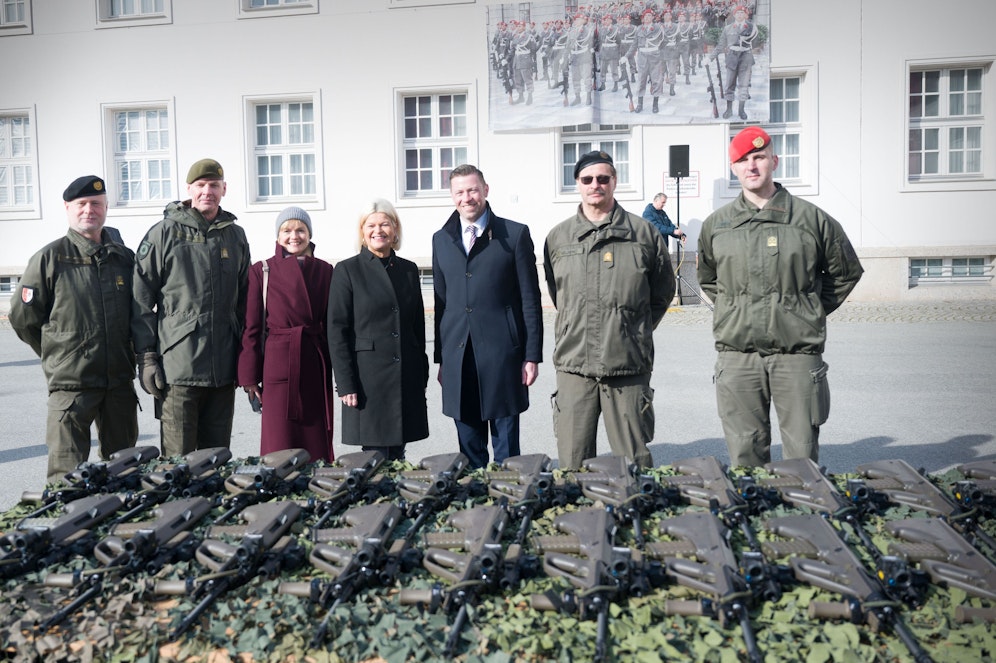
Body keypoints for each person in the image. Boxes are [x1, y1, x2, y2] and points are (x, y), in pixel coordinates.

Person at [697, 127, 864, 467]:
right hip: (738, 356)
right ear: (734, 168)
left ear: (774, 160)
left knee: (801, 458)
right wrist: (735, 312)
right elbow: (709, 280)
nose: (752, 166)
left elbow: (845, 273)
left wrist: (805, 309)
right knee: (745, 456)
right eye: (743, 161)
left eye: (759, 157)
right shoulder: (717, 225)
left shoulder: (811, 220)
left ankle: (802, 519)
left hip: (796, 355)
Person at [543, 151, 675, 470]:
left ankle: (634, 519)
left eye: (603, 178)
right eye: (587, 179)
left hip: (628, 365)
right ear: (577, 183)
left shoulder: (644, 235)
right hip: (575, 365)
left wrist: (631, 328)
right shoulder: (558, 238)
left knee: (634, 466)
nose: (595, 185)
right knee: (573, 464)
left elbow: (662, 293)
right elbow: (558, 293)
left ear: (614, 181)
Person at [10, 175, 138, 484]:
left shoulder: (123, 258)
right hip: (72, 386)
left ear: (106, 207)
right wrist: (57, 353)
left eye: (96, 204)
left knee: (124, 471)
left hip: (118, 383)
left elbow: (139, 315)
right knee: (66, 479)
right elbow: (22, 318)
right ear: (67, 208)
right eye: (81, 204)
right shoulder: (50, 258)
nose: (88, 210)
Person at [132, 158, 250, 458]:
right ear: (189, 189)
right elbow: (142, 299)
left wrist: (246, 356)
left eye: (214, 185)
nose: (207, 191)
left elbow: (245, 300)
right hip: (179, 367)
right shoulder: (164, 233)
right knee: (178, 463)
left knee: (216, 461)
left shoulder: (234, 235)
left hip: (223, 368)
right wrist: (147, 359)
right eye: (200, 185)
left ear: (224, 189)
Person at [432, 165, 543, 470]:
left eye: (472, 190)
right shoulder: (441, 239)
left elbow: (530, 300)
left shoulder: (515, 234)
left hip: (503, 354)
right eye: (460, 192)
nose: (467, 198)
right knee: (469, 447)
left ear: (485, 190)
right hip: (459, 355)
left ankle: (507, 505)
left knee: (507, 448)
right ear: (452, 196)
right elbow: (442, 305)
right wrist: (441, 360)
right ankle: (475, 505)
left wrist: (531, 355)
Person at [328, 199, 429, 461]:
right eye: (371, 225)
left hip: (404, 375)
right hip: (367, 379)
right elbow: (337, 331)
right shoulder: (347, 270)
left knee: (398, 452)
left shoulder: (408, 269)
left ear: (395, 228)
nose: (378, 230)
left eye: (385, 223)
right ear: (362, 231)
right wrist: (345, 384)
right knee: (374, 458)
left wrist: (422, 373)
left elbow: (418, 326)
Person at [237, 207, 335, 463]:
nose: (294, 236)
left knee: (314, 440)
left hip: (314, 360)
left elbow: (332, 324)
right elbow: (252, 327)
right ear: (278, 236)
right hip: (278, 364)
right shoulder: (262, 270)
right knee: (279, 439)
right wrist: (249, 377)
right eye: (287, 230)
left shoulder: (325, 270)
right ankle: (278, 491)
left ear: (309, 234)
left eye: (301, 230)